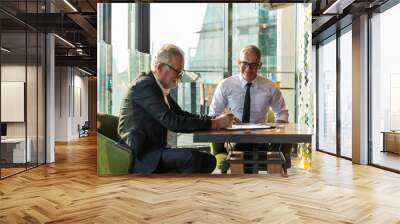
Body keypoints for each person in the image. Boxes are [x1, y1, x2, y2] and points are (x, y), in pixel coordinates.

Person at [118, 43, 234, 174]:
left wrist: (215, 119)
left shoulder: (158, 88)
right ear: (160, 67)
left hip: (157, 150)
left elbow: (180, 114)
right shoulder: (145, 86)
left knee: (209, 160)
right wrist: (215, 123)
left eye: (181, 72)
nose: (180, 76)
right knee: (192, 158)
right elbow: (172, 121)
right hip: (144, 155)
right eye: (178, 71)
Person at [209, 45, 291, 173]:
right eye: (245, 64)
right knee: (240, 148)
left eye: (253, 65)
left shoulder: (270, 86)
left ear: (260, 65)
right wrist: (225, 121)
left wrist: (276, 134)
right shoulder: (225, 85)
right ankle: (243, 184)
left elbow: (282, 113)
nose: (248, 69)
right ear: (238, 63)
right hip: (234, 137)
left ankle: (250, 184)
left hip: (262, 138)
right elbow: (213, 114)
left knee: (253, 149)